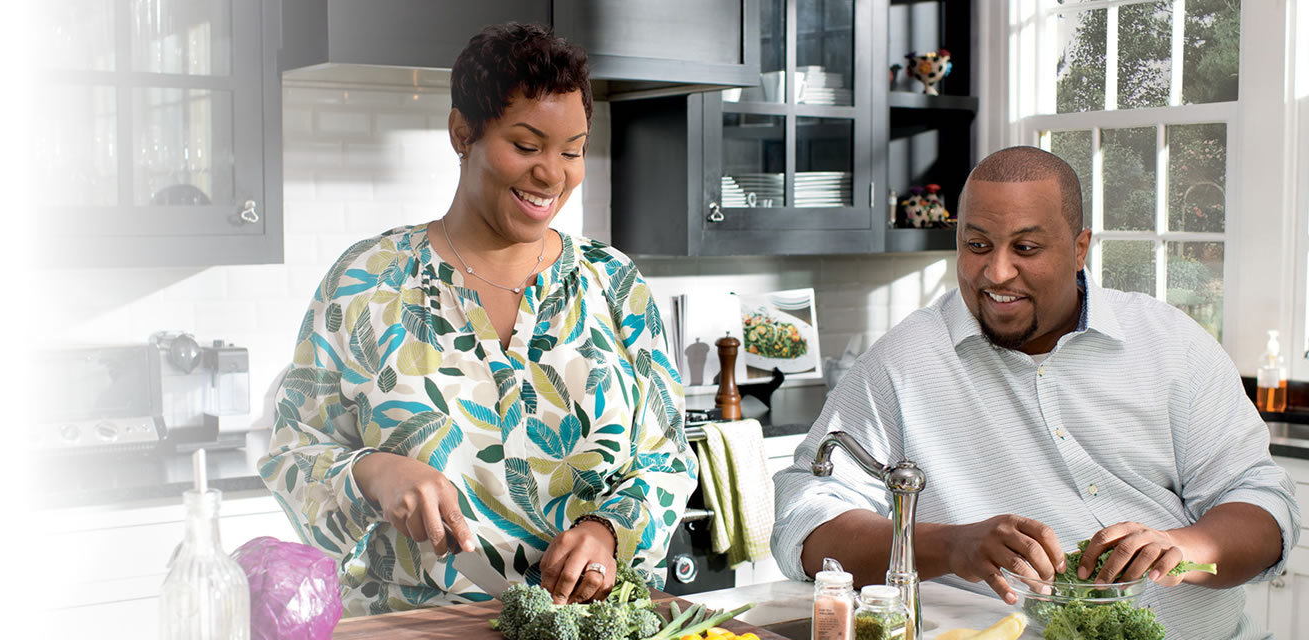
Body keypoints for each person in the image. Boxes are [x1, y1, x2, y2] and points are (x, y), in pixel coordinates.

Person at [256, 22, 696, 616]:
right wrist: (373, 473)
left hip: (592, 625)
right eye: (526, 145)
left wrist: (607, 532)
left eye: (572, 151)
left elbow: (666, 458)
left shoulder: (612, 283)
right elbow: (293, 457)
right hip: (414, 627)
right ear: (463, 133)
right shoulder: (365, 283)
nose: (552, 174)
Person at [771, 146, 1299, 638]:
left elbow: (1262, 506)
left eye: (1026, 247)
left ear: (1079, 248)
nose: (997, 272)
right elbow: (805, 522)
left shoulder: (1171, 344)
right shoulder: (904, 359)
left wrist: (1181, 546)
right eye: (977, 246)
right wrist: (950, 545)